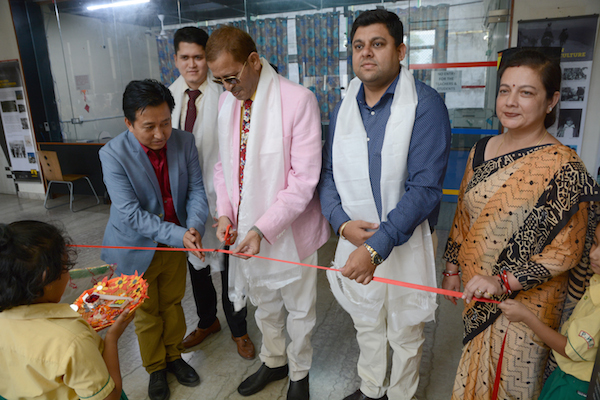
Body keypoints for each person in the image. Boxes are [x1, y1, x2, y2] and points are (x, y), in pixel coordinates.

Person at [442, 49, 600, 400]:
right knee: (475, 371)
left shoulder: (565, 167)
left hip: (530, 303)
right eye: (504, 90)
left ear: (551, 100)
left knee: (512, 383)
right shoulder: (480, 150)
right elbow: (464, 214)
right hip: (477, 289)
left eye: (526, 93)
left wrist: (502, 281)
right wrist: (453, 266)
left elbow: (566, 253)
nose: (511, 102)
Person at [319, 9, 451, 400]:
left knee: (406, 328)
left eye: (378, 44)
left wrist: (376, 246)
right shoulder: (344, 107)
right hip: (354, 235)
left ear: (401, 50)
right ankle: (371, 388)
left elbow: (425, 188)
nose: (366, 54)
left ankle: (402, 394)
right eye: (358, 46)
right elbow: (328, 176)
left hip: (404, 238)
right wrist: (341, 224)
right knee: (367, 321)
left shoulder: (424, 105)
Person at [206, 26, 330, 400]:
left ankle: (300, 373)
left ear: (255, 61)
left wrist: (263, 227)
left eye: (232, 77)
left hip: (289, 231)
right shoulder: (229, 104)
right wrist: (225, 214)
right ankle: (274, 361)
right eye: (219, 81)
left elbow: (304, 180)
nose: (228, 87)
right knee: (264, 303)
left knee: (299, 309)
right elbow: (223, 167)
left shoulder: (298, 100)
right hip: (245, 228)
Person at [100, 79, 209, 400]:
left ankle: (175, 356)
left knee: (173, 303)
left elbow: (197, 191)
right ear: (128, 124)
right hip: (133, 247)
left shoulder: (185, 142)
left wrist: (194, 227)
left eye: (165, 123)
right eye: (149, 127)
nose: (160, 134)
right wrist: (180, 233)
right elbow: (131, 213)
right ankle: (155, 367)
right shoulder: (112, 154)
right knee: (146, 312)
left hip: (175, 242)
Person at [168, 26, 255, 360]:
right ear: (176, 59)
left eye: (199, 57)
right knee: (197, 266)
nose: (192, 65)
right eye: (185, 58)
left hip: (223, 202)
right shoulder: (170, 96)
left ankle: (239, 329)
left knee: (233, 269)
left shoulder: (228, 95)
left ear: (209, 58)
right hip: (188, 203)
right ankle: (207, 321)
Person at [0, 220, 133, 400]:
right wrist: (111, 338)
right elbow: (110, 397)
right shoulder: (72, 339)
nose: (69, 275)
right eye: (65, 268)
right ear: (45, 278)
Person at [499, 220, 600, 400]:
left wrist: (526, 317)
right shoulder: (596, 281)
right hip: (565, 376)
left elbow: (569, 349)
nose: (593, 254)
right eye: (595, 243)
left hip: (575, 387)